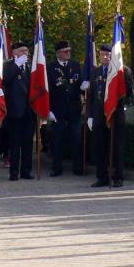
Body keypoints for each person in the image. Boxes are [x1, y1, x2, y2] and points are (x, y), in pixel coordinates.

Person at [87, 43, 131, 187]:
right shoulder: (95, 72)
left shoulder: (123, 71)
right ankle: (102, 177)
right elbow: (91, 96)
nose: (105, 57)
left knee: (117, 148)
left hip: (116, 115)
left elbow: (129, 93)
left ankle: (118, 177)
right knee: (100, 148)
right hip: (99, 116)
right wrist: (90, 116)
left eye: (108, 55)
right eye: (102, 54)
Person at [48, 41, 83, 178]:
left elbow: (80, 85)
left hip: (74, 108)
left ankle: (78, 167)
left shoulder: (75, 65)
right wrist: (49, 109)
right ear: (58, 53)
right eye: (65, 51)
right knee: (58, 139)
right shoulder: (50, 68)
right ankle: (57, 168)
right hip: (58, 109)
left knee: (76, 138)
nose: (68, 53)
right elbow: (48, 90)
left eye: (69, 50)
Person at [1, 41, 35, 180]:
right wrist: (17, 64)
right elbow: (5, 80)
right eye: (22, 51)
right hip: (15, 109)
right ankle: (14, 172)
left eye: (26, 51)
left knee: (28, 143)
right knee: (15, 143)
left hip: (29, 110)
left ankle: (26, 171)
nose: (25, 54)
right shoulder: (8, 65)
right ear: (14, 52)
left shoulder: (31, 66)